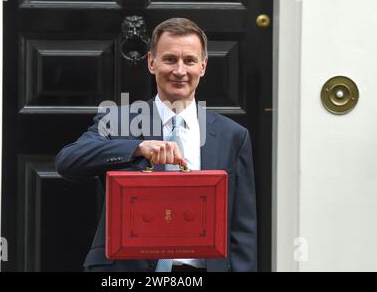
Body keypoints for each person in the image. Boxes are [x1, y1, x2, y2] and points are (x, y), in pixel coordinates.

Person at [55, 18, 257, 272]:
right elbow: (68, 161)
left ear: (203, 66)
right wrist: (137, 148)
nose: (180, 70)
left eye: (190, 61)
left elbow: (243, 229)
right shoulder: (119, 121)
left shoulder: (233, 136)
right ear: (152, 62)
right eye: (170, 59)